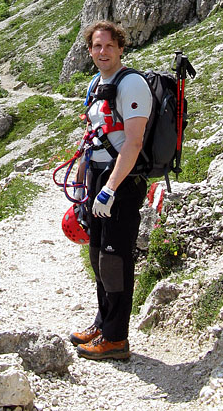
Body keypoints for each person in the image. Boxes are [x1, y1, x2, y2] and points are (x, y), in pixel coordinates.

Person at [70, 20, 152, 361]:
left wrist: (111, 190)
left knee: (115, 259)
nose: (102, 52)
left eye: (108, 46)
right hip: (98, 175)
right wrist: (83, 178)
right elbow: (93, 134)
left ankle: (116, 340)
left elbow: (133, 143)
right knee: (98, 256)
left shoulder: (131, 84)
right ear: (90, 51)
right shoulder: (97, 82)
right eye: (96, 47)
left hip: (121, 181)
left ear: (120, 48)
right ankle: (103, 323)